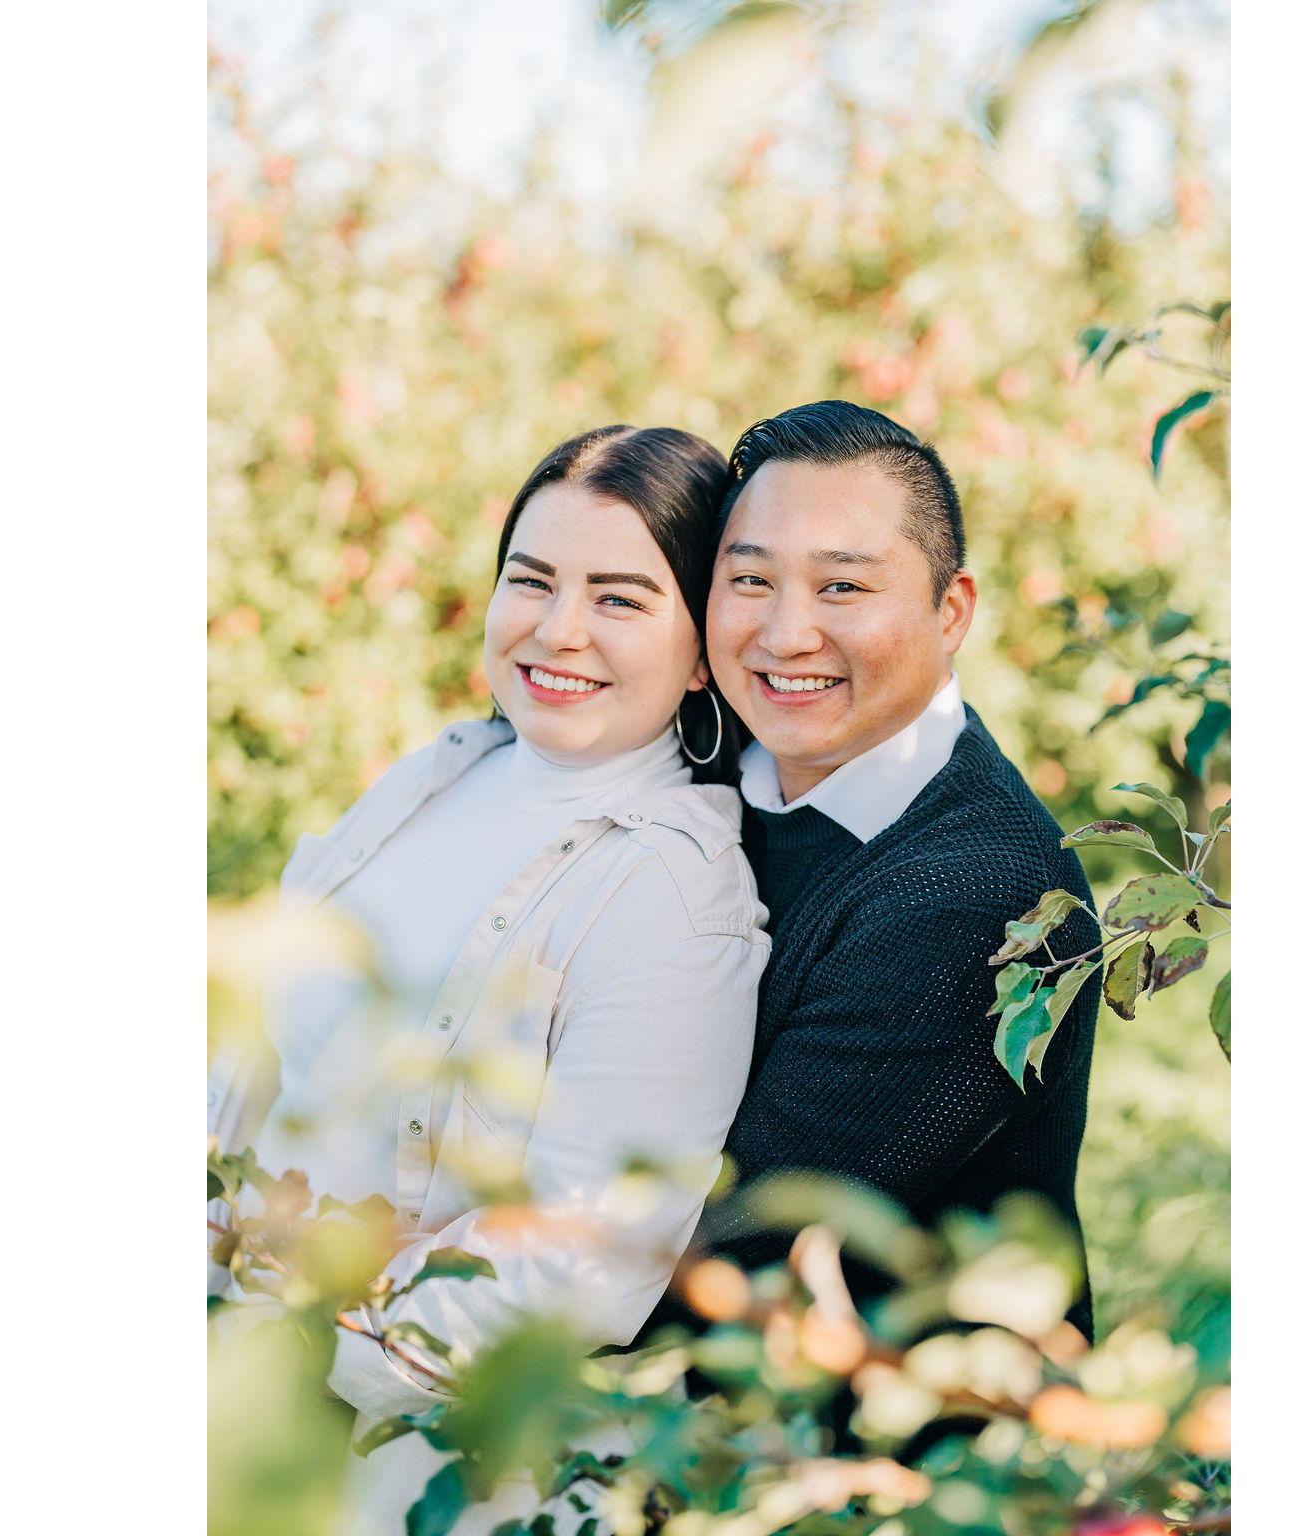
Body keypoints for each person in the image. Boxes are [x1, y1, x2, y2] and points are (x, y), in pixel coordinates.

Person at [208, 425, 769, 1533]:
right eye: (532, 579)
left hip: (393, 1465)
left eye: (619, 599)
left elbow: (585, 1257)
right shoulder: (440, 776)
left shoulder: (673, 893)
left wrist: (291, 1347)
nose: (558, 629)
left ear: (704, 648)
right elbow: (248, 1059)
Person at [689, 399, 1100, 1337]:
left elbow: (736, 1245)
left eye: (842, 587)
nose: (786, 634)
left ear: (950, 611)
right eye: (750, 580)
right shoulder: (710, 769)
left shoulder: (980, 900)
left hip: (875, 1416)